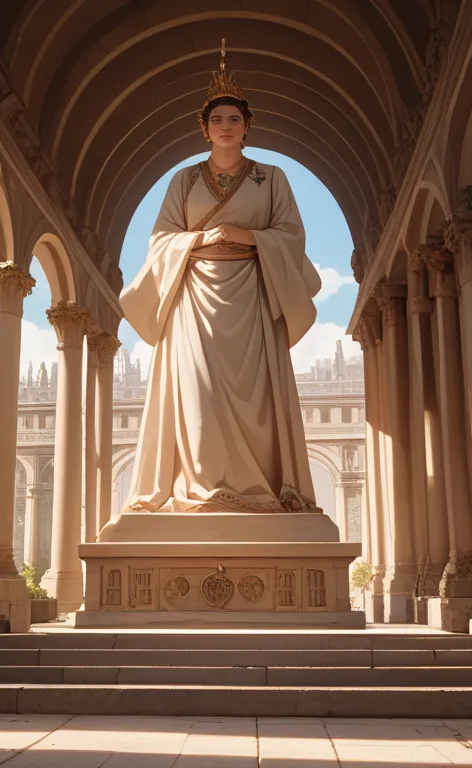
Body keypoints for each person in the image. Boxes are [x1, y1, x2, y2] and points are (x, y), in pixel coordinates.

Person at [120, 40, 323, 515]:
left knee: (257, 403)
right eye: (217, 120)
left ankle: (258, 490)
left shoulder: (270, 178)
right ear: (205, 129)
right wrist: (197, 242)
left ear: (247, 127)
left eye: (234, 119)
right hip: (194, 298)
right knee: (197, 394)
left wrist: (247, 236)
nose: (225, 126)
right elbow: (160, 239)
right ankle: (198, 488)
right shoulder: (184, 182)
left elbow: (291, 234)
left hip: (252, 293)